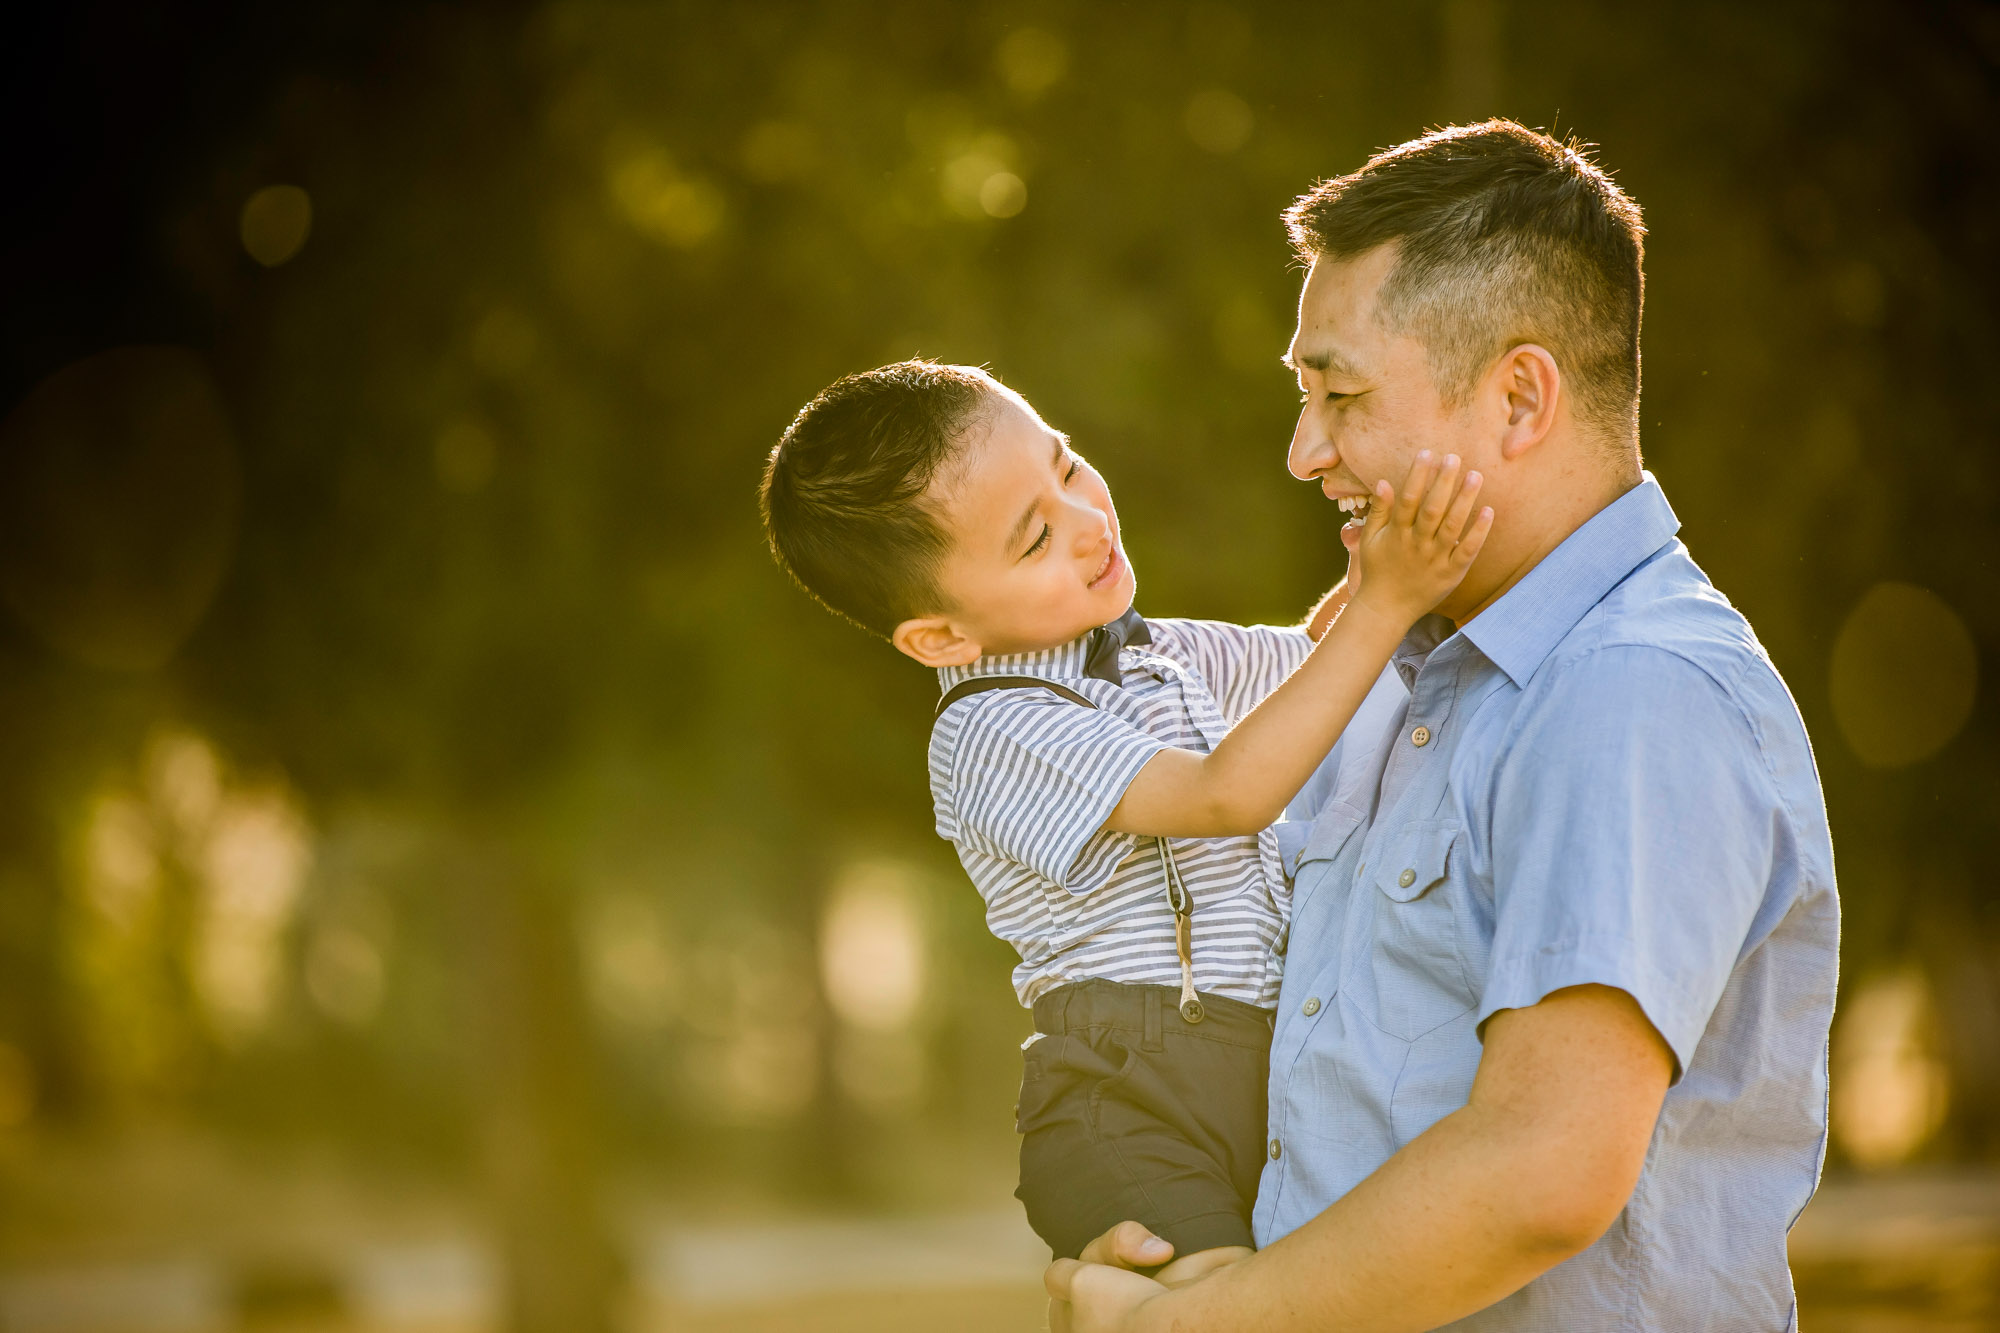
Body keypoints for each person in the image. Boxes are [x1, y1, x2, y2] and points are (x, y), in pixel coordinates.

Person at [1046, 120, 1839, 1331]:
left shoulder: (1631, 692)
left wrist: (1187, 1326)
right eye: (1301, 395)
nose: (1304, 451)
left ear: (1518, 397)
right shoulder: (1400, 676)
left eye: (1341, 395)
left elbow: (1540, 1172)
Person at [760, 360, 1491, 1283]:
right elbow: (1230, 793)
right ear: (942, 636)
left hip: (1264, 1068)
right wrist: (1386, 600)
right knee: (1217, 1304)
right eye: (1033, 540)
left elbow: (1314, 669)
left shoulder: (1160, 653)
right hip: (1129, 1092)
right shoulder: (991, 728)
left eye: (1065, 468)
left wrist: (1386, 564)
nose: (1087, 522)